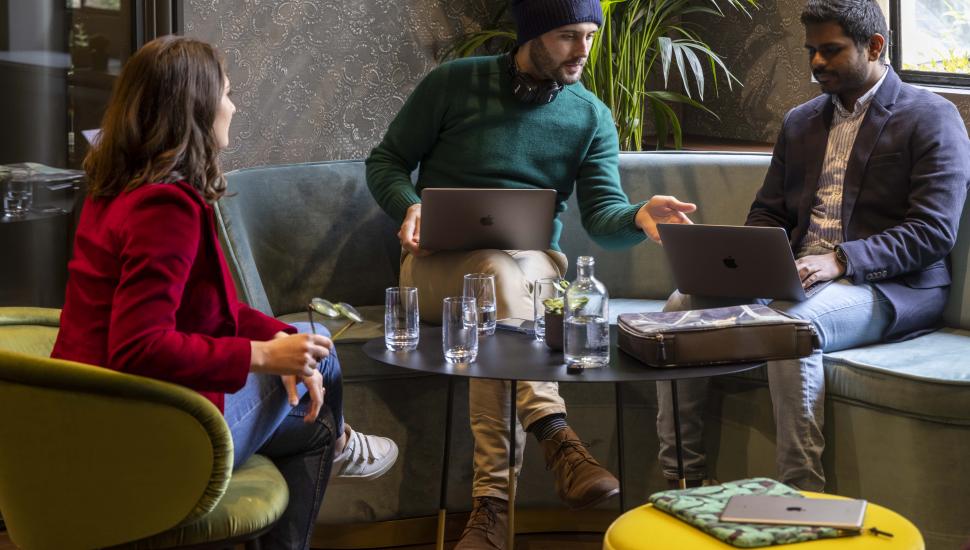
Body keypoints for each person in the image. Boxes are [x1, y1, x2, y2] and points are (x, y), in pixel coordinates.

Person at [366, 0, 695, 547]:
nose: (583, 50)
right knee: (492, 270)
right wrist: (410, 206)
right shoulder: (453, 84)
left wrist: (638, 216)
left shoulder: (590, 114)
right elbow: (386, 161)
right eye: (568, 36)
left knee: (504, 279)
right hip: (433, 271)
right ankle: (555, 433)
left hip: (531, 271)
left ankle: (492, 511)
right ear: (531, 35)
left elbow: (603, 216)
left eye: (590, 36)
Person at [50, 36, 396, 549]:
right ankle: (342, 440)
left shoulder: (118, 186)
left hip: (90, 412)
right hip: (141, 430)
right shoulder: (164, 208)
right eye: (228, 94)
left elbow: (209, 311)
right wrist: (264, 355)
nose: (234, 107)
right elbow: (138, 346)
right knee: (321, 373)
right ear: (197, 108)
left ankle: (337, 437)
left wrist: (278, 340)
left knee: (307, 351)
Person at [656, 0, 970, 492]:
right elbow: (770, 212)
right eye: (811, 51)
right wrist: (748, 261)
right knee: (682, 307)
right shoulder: (801, 121)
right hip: (800, 275)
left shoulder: (931, 116)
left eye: (831, 50)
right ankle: (683, 482)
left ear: (875, 46)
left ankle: (800, 495)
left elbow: (932, 231)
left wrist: (841, 260)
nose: (817, 62)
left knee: (790, 327)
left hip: (891, 287)